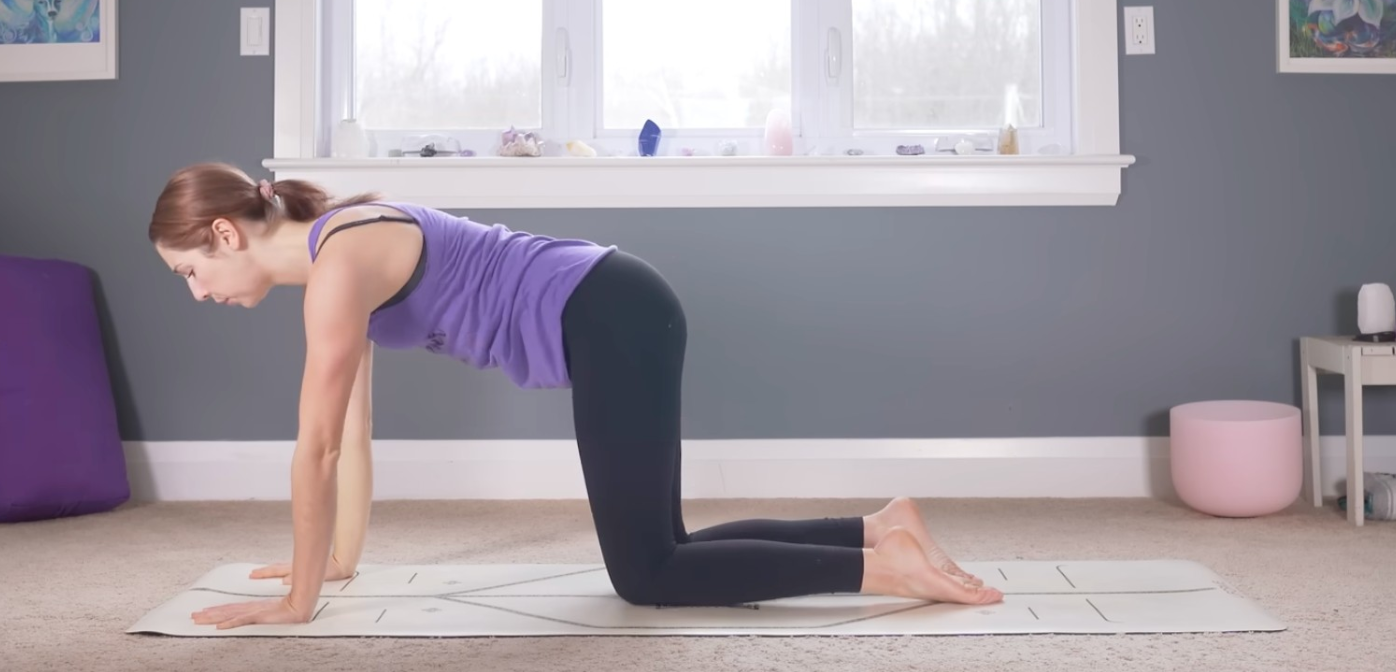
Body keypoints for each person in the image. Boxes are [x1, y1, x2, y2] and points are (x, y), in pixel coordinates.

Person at [148, 162, 1000, 629]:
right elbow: (356, 434)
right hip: (622, 305)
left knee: (646, 573)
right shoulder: (339, 261)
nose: (197, 291)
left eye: (191, 271)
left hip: (611, 315)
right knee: (665, 544)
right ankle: (877, 527)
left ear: (225, 234)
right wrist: (332, 563)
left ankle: (881, 571)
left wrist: (297, 604)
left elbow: (319, 447)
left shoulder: (338, 268)